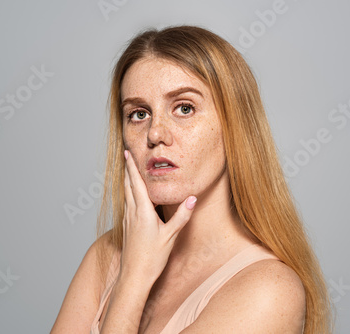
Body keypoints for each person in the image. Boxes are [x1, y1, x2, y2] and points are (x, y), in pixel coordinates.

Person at [51, 25, 333, 334]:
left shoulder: (269, 290)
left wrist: (132, 281)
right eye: (139, 114)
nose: (155, 133)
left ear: (234, 127)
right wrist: (133, 271)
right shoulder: (107, 255)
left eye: (184, 108)